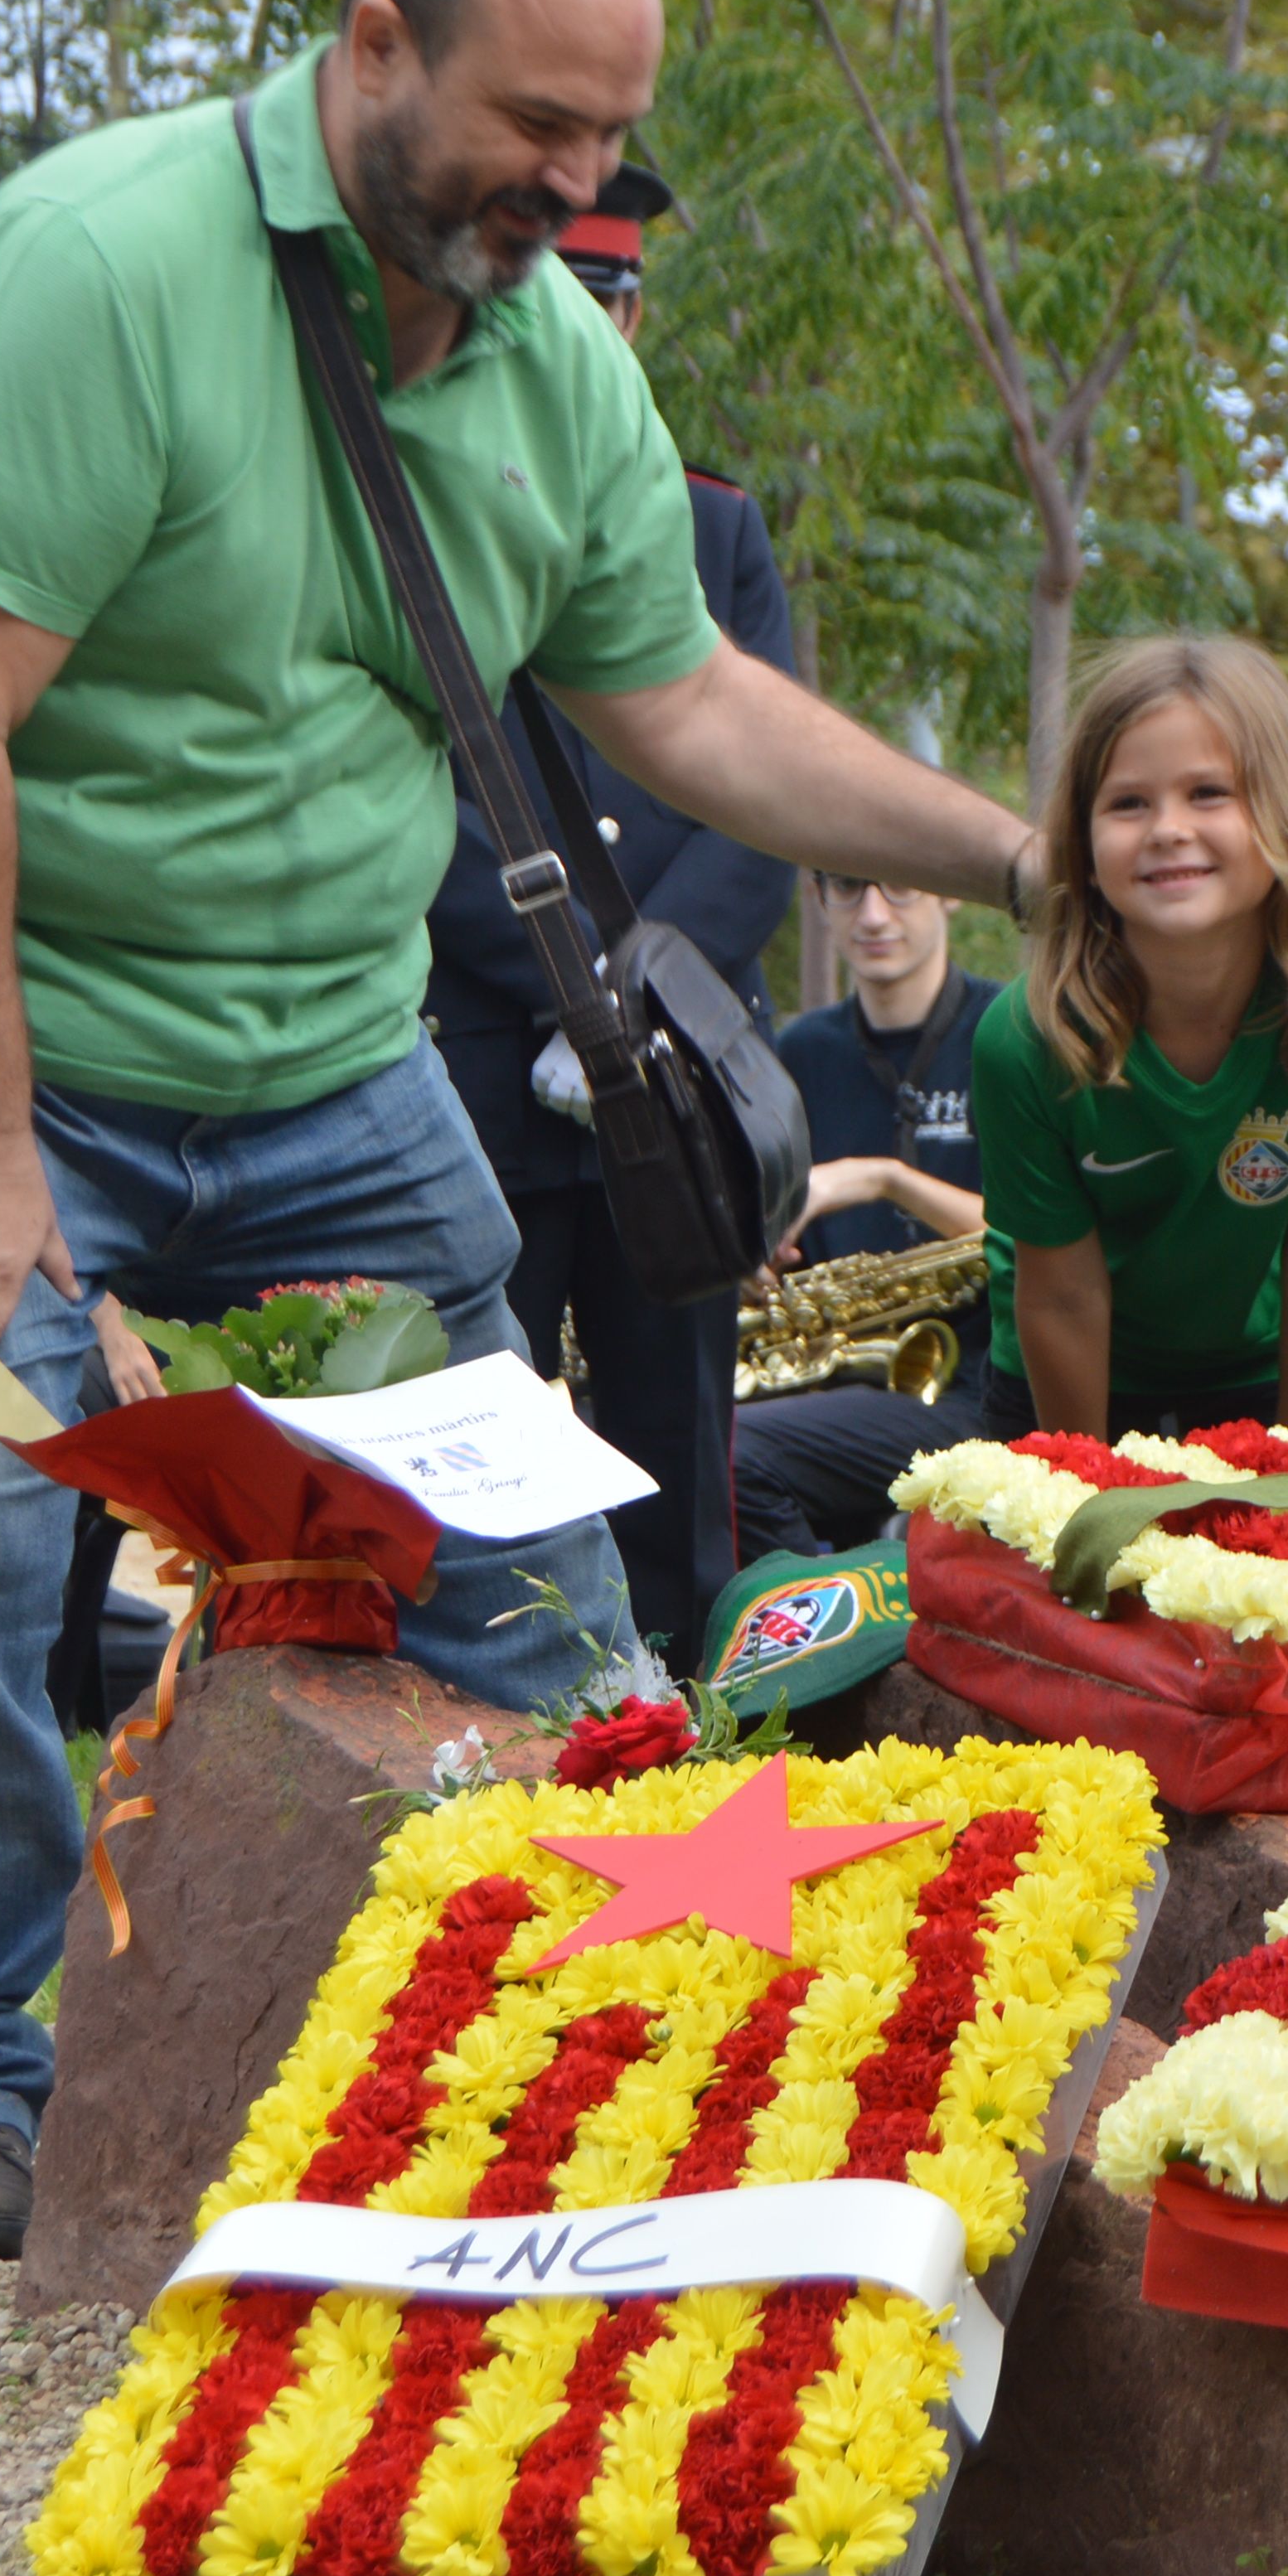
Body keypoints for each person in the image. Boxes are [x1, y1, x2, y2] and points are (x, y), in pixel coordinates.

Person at [0, 0, 1046, 2258]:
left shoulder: (555, 373)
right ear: (373, 46)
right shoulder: (100, 275)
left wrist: (1017, 860)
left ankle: (560, 1985)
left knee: (515, 1534)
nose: (577, 181)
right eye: (538, 119)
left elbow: (695, 704)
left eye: (611, 139)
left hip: (309, 1039)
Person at [422, 156, 793, 1670]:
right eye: (554, 292)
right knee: (473, 1433)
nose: (586, 318)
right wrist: (577, 984)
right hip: (487, 1046)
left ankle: (690, 1712)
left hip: (674, 1063)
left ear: (637, 317)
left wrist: (636, 1001)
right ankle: (490, 1713)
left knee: (675, 1431)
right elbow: (419, 807)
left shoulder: (713, 528)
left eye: (610, 295)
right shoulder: (421, 512)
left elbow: (760, 793)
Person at [972, 634, 1288, 1442]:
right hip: (1059, 1387)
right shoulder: (1025, 1039)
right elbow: (1062, 1298)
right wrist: (1085, 1506)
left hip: (1259, 1379)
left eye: (1209, 793)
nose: (1167, 828)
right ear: (1083, 843)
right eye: (1128, 803)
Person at [728, 870, 995, 1559]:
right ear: (817, 898)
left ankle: (837, 1631)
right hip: (839, 1381)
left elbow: (1047, 1241)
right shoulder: (801, 1052)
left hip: (979, 1388)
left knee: (735, 1453)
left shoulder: (1008, 1036)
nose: (874, 915)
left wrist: (885, 1179)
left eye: (902, 885)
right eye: (848, 888)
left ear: (948, 886)